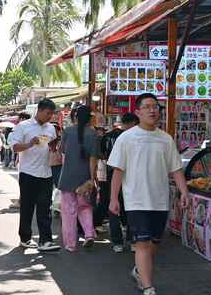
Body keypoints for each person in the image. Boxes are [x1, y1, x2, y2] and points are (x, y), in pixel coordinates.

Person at [108, 93, 189, 295]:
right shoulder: (126, 138)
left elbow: (176, 169)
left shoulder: (166, 139)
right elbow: (118, 170)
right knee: (142, 243)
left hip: (160, 201)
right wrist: (113, 199)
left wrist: (184, 191)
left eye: (155, 106)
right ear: (138, 112)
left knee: (153, 244)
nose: (153, 110)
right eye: (147, 107)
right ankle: (148, 287)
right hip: (135, 200)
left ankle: (138, 271)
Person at [10, 98, 60, 252]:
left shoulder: (51, 128)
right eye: (48, 113)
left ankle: (45, 241)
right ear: (39, 110)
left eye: (52, 114)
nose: (50, 116)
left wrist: (53, 145)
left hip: (45, 173)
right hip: (28, 173)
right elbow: (15, 147)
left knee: (45, 207)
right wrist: (30, 144)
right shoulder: (23, 127)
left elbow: (52, 146)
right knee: (27, 207)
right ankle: (25, 237)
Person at [58, 105, 101, 252]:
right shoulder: (93, 133)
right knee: (85, 207)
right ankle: (89, 234)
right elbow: (93, 158)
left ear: (75, 117)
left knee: (68, 211)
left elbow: (61, 150)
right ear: (90, 118)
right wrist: (91, 178)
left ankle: (70, 244)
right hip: (84, 176)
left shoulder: (67, 131)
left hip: (68, 176)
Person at [101, 113, 139, 253]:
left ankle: (117, 242)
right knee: (131, 208)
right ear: (134, 122)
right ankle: (132, 239)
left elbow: (103, 155)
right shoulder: (135, 137)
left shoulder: (108, 136)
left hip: (112, 175)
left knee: (113, 207)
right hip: (131, 176)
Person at [50, 124, 63, 215]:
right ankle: (49, 205)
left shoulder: (61, 141)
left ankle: (58, 207)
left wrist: (54, 149)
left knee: (59, 188)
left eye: (55, 130)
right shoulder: (45, 140)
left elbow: (62, 156)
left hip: (58, 166)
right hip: (46, 167)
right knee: (47, 189)